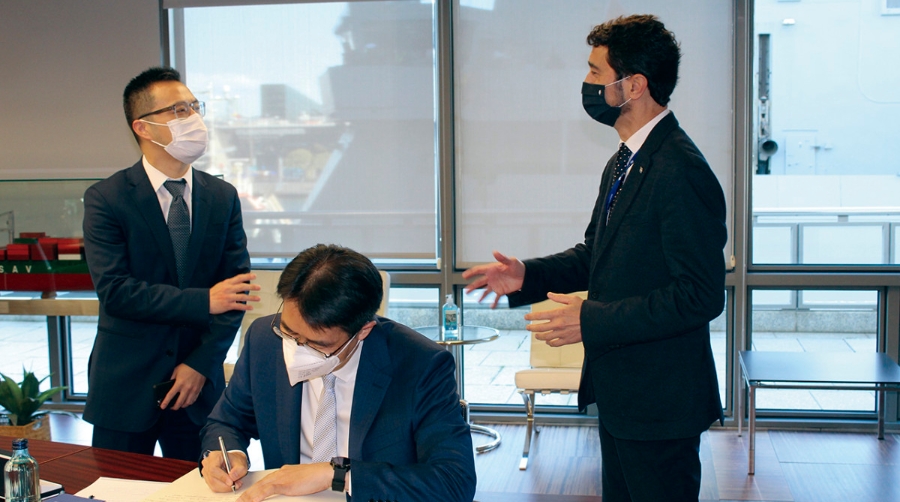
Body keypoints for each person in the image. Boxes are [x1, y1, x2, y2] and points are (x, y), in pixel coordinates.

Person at [462, 15, 725, 502]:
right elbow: (596, 255)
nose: (586, 83)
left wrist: (592, 319)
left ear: (635, 85)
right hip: (625, 394)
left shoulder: (679, 169)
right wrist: (526, 275)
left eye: (595, 72)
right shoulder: (625, 160)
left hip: (661, 402)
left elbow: (701, 295)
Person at [199, 244, 476, 502]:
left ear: (363, 330)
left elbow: (454, 481)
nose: (297, 349)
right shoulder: (265, 340)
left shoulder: (420, 365)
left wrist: (337, 475)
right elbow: (227, 421)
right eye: (290, 332)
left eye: (317, 344)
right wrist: (229, 453)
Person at [82, 66, 260, 461]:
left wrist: (201, 364)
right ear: (143, 127)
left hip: (198, 388)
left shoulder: (222, 196)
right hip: (126, 386)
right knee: (117, 486)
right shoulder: (107, 198)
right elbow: (116, 292)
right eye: (179, 110)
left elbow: (237, 292)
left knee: (204, 486)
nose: (193, 118)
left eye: (194, 107)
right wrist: (204, 301)